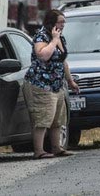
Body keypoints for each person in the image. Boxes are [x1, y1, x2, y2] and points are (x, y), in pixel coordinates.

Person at [24, 9, 80, 159]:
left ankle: (57, 147)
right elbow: (43, 55)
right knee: (43, 118)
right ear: (51, 23)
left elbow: (62, 61)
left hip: (57, 85)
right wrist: (54, 40)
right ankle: (39, 150)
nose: (63, 25)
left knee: (57, 118)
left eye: (64, 22)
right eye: (60, 22)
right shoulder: (41, 36)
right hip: (41, 84)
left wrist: (70, 81)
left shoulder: (61, 37)